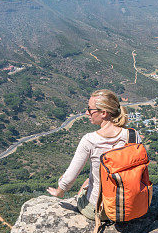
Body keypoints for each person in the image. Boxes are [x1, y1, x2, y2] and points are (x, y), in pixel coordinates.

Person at [47, 89, 142, 220]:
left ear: (103, 113)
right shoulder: (133, 135)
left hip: (101, 210)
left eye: (90, 109)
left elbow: (70, 177)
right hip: (133, 204)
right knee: (93, 179)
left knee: (86, 184)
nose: (87, 113)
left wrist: (59, 191)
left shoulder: (90, 140)